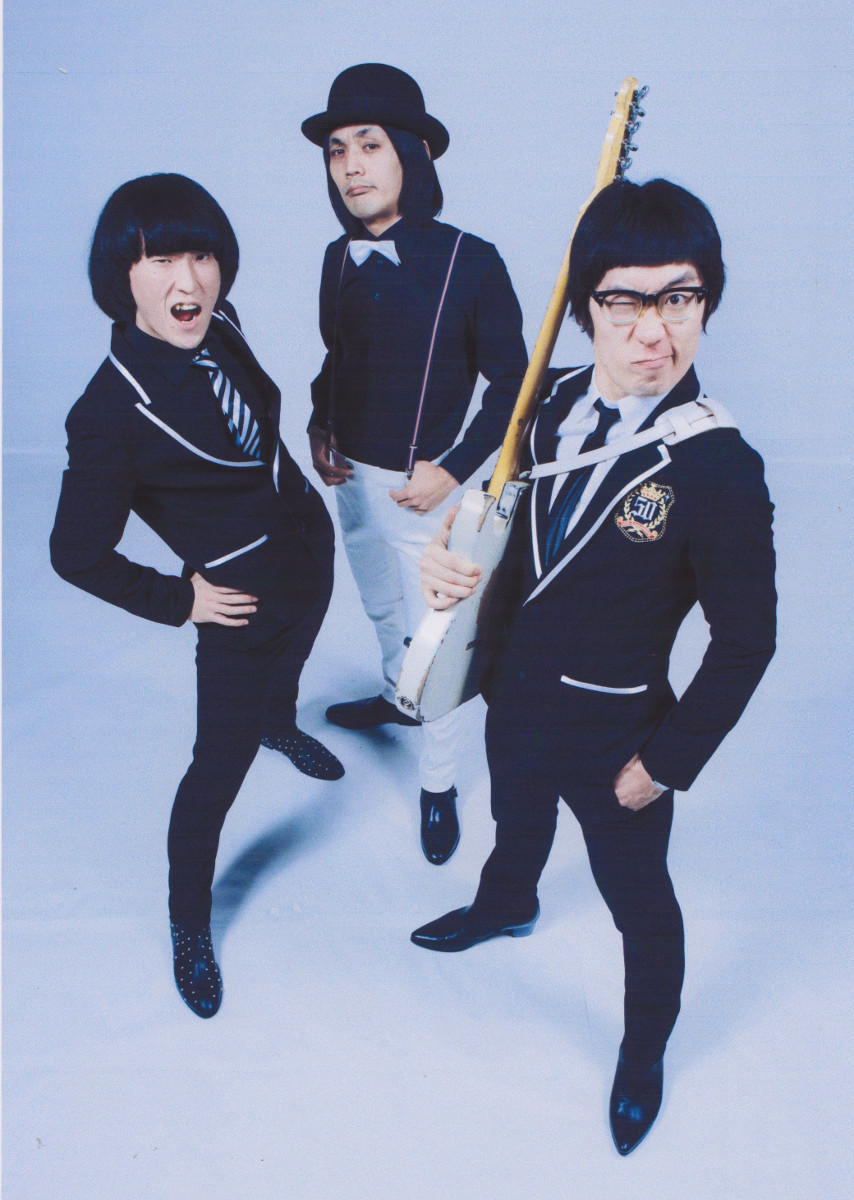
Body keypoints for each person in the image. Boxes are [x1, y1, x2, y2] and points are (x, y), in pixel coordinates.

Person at [409, 179, 777, 1153]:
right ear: (583, 307)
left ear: (704, 301)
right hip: (513, 698)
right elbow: (507, 533)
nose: (654, 330)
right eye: (624, 300)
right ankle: (506, 903)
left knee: (640, 908)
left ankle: (643, 1049)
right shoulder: (549, 402)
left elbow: (747, 642)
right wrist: (452, 555)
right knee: (515, 821)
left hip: (619, 735)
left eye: (680, 297)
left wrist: (663, 764)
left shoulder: (719, 470)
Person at [50, 173, 342, 1018]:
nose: (190, 282)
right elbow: (75, 554)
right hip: (236, 600)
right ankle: (189, 923)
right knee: (217, 771)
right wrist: (183, 601)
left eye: (203, 257)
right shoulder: (109, 411)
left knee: (297, 653)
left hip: (305, 541)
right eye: (162, 261)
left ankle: (281, 721)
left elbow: (259, 425)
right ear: (122, 275)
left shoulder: (224, 324)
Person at [301, 63, 528, 866]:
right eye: (337, 150)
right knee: (378, 606)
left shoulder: (472, 261)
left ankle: (437, 786)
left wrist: (454, 469)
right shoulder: (335, 258)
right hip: (350, 484)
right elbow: (336, 357)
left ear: (411, 153)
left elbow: (515, 386)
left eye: (368, 145)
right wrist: (319, 421)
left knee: (442, 641)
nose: (351, 165)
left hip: (424, 492)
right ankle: (397, 697)